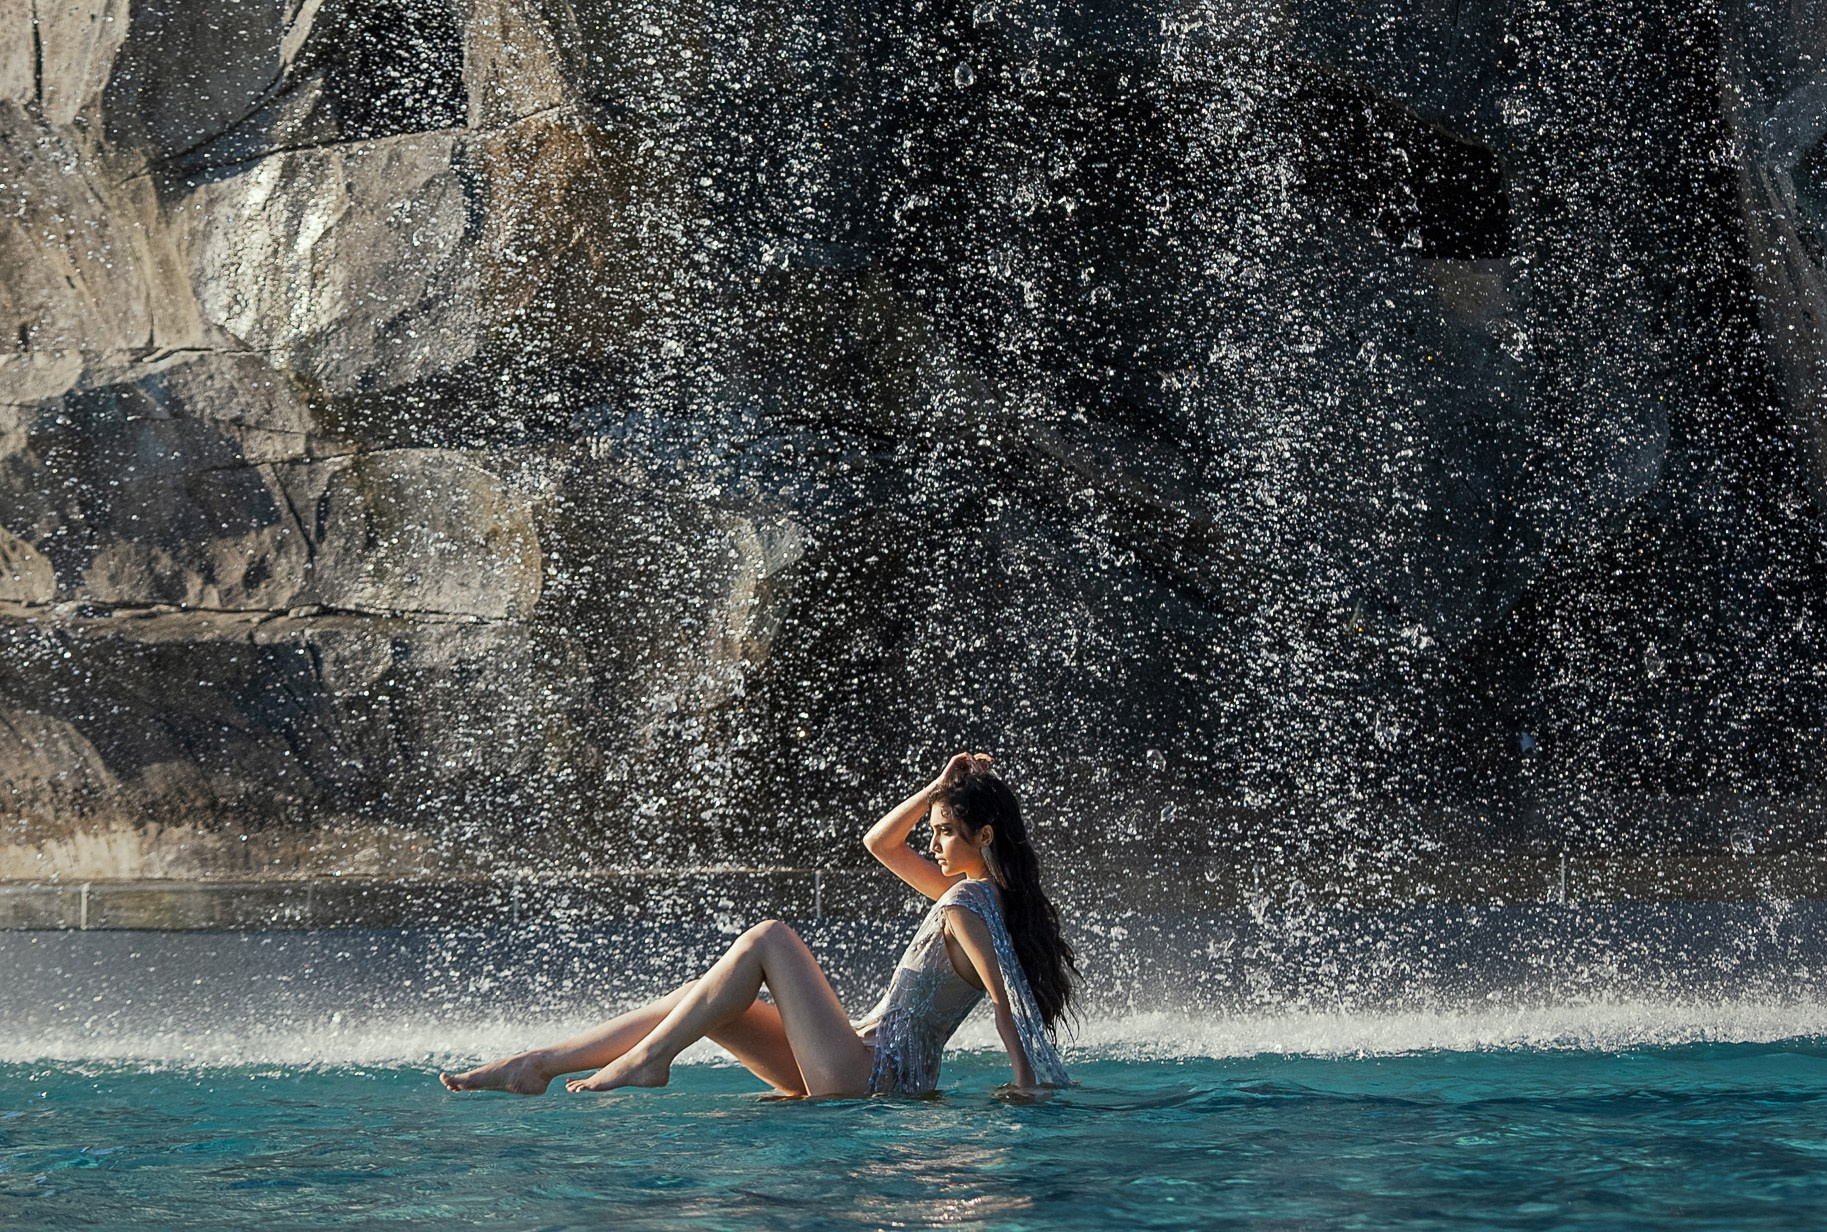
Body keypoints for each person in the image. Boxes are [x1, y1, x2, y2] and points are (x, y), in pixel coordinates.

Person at [439, 752, 1076, 1098]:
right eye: (933, 831)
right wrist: (937, 788)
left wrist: (1026, 1086)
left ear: (984, 836)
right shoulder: (975, 900)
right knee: (709, 997)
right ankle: (538, 1065)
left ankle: (648, 1061)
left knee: (770, 936)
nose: (932, 843)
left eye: (943, 832)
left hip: (869, 1077)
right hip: (863, 1063)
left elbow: (1003, 1004)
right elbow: (881, 843)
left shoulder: (966, 908)